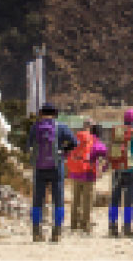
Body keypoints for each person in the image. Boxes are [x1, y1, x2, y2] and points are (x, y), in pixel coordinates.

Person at [25, 103, 77, 242]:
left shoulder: (35, 128)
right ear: (55, 114)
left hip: (40, 168)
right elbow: (74, 142)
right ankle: (57, 232)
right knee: (58, 200)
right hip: (56, 167)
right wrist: (63, 151)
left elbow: (28, 145)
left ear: (41, 113)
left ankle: (36, 232)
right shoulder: (61, 127)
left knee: (38, 200)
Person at [108, 109, 133, 238]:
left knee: (114, 200)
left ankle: (112, 226)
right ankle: (127, 227)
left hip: (117, 170)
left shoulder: (117, 132)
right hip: (131, 171)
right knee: (128, 201)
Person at [65, 122, 100, 233]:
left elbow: (67, 152)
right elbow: (101, 152)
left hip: (75, 172)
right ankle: (85, 224)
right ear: (90, 128)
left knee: (75, 198)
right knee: (87, 199)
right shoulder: (93, 139)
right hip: (88, 173)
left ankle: (74, 223)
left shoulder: (75, 137)